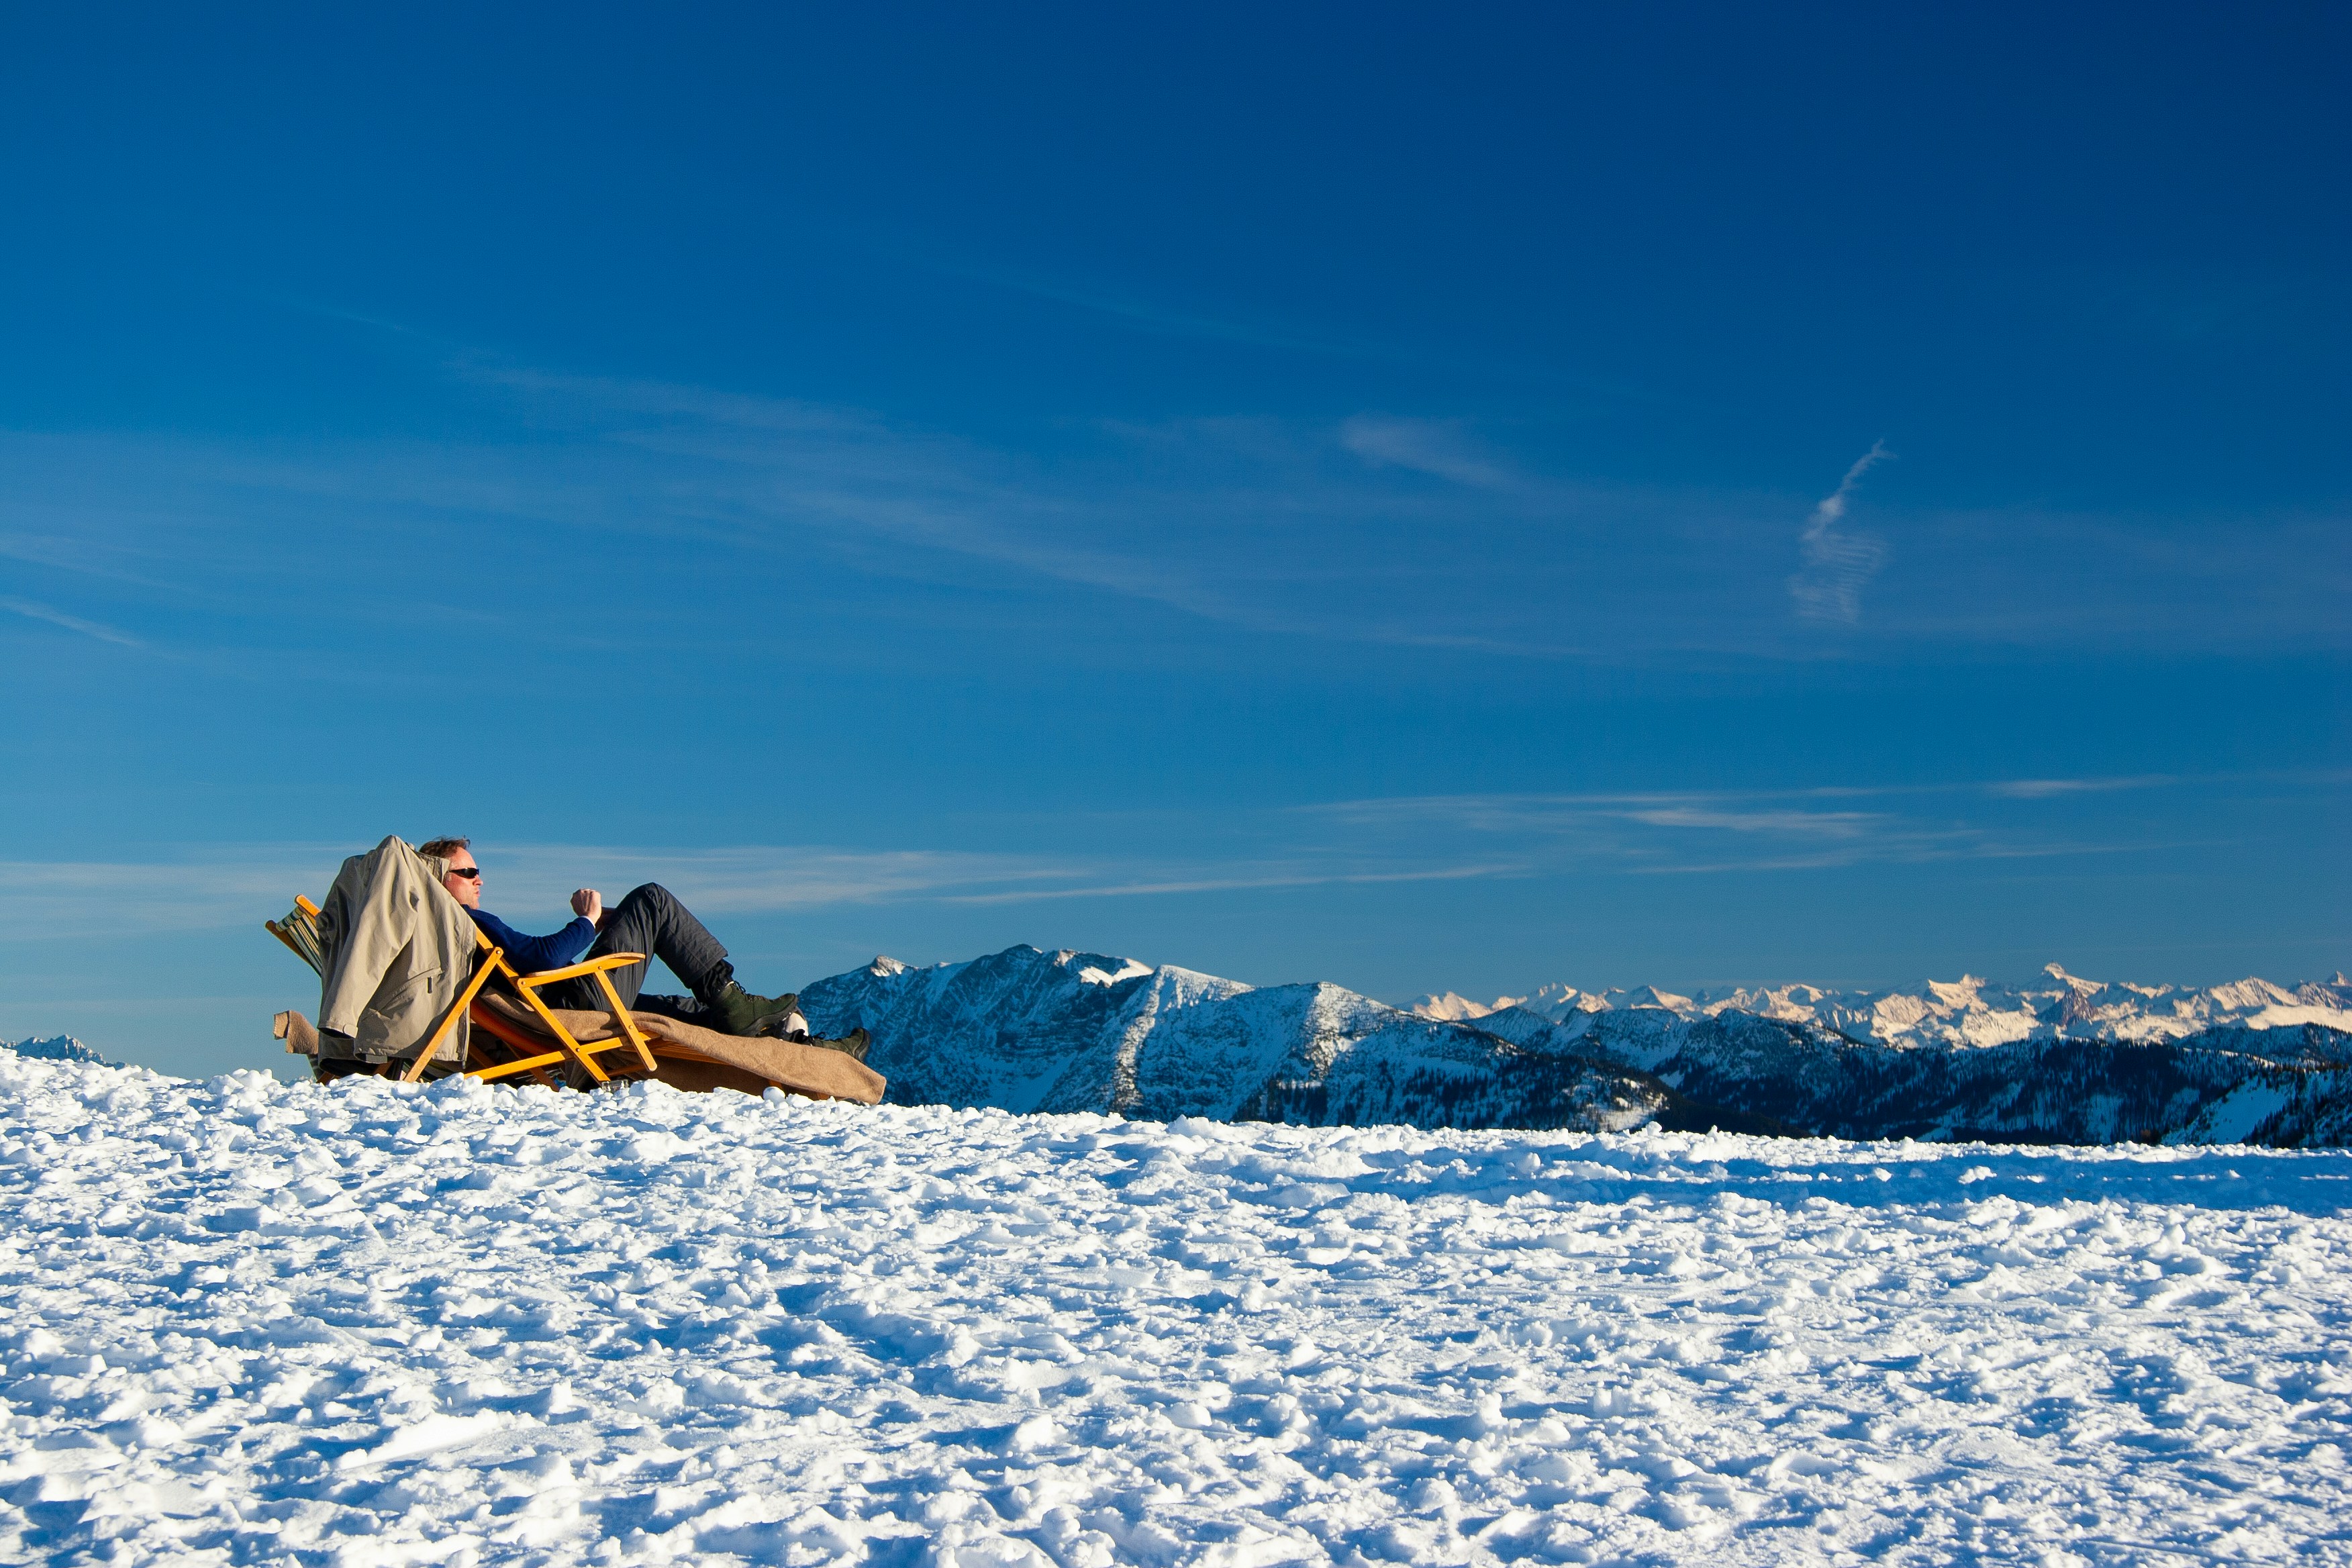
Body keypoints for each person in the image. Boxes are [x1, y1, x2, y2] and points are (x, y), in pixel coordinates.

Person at [417, 836, 813, 1040]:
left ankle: (792, 1040)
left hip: (569, 996)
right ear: (438, 877)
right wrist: (587, 921)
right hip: (579, 1004)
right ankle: (730, 998)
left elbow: (532, 959)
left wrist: (606, 924)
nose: (479, 879)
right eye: (468, 873)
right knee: (651, 898)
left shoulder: (449, 933)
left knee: (678, 1009)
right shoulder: (468, 923)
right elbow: (543, 957)